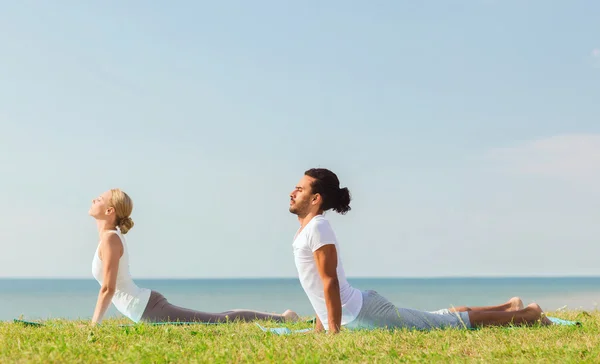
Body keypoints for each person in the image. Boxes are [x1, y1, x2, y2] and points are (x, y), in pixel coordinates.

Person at [288, 168, 553, 334]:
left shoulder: (318, 227)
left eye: (299, 189)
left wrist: (332, 332)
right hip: (357, 313)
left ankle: (528, 315)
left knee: (446, 325)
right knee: (435, 318)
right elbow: (318, 288)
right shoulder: (308, 229)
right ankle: (509, 306)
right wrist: (321, 326)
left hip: (362, 314)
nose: (292, 192)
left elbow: (329, 281)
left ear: (315, 199)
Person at [88, 188, 299, 326]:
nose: (92, 199)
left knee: (219, 320)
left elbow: (108, 288)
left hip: (148, 309)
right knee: (218, 318)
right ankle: (281, 317)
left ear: (109, 210)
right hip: (145, 308)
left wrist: (93, 326)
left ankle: (283, 318)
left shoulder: (110, 240)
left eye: (98, 199)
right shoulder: (108, 238)